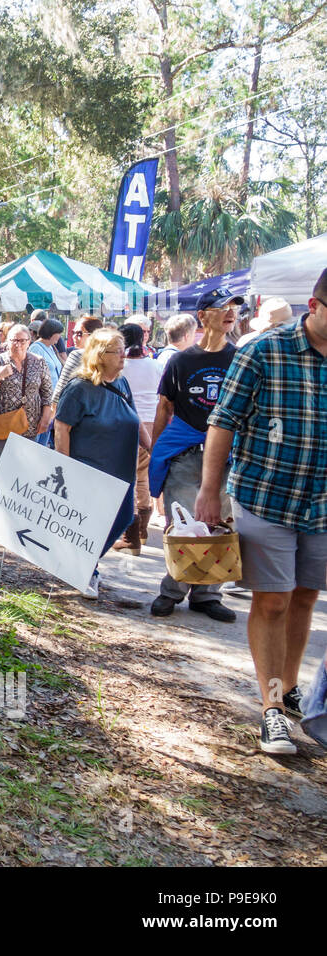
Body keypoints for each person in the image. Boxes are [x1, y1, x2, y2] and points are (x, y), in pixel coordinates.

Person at [195, 268, 327, 754]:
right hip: (266, 496)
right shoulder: (262, 351)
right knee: (272, 600)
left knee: (306, 598)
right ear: (314, 307)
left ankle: (288, 689)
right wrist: (210, 492)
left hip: (323, 505)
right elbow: (222, 422)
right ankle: (272, 709)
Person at [147, 286, 241, 622]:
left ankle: (207, 595)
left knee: (217, 526)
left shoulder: (239, 359)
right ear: (202, 316)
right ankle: (171, 592)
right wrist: (158, 452)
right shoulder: (181, 361)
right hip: (186, 454)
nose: (230, 312)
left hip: (227, 459)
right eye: (221, 307)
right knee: (182, 525)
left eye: (233, 307)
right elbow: (164, 408)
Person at [54, 329, 152, 598]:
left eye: (124, 349)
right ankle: (85, 570)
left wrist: (150, 445)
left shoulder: (121, 383)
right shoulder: (79, 387)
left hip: (121, 467)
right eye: (117, 350)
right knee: (90, 524)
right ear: (100, 354)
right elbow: (61, 427)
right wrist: (64, 468)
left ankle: (81, 565)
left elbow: (135, 416)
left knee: (122, 519)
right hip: (90, 466)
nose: (124, 355)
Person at [0, 323, 55, 474]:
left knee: (24, 468)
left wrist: (46, 418)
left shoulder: (38, 361)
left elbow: (46, 393)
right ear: (7, 341)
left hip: (29, 424)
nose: (18, 344)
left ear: (29, 342)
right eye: (14, 340)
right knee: (0, 466)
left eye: (22, 341)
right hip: (2, 422)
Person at [114, 322, 163, 555]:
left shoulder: (120, 367)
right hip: (152, 422)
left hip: (126, 422)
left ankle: (130, 534)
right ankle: (141, 531)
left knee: (127, 478)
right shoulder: (155, 365)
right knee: (141, 477)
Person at [53, 316, 103, 403]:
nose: (74, 337)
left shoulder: (77, 355)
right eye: (73, 333)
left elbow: (59, 391)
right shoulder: (109, 356)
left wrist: (52, 413)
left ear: (93, 335)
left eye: (79, 333)